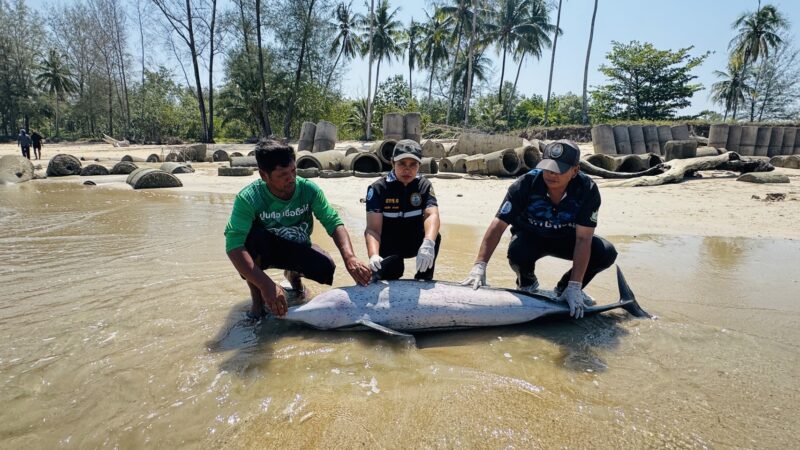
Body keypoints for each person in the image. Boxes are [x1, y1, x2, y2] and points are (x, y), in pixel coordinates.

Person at [461, 139, 618, 319]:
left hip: (567, 239)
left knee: (605, 252)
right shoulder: (526, 183)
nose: (551, 174)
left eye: (559, 170)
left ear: (575, 171)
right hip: (531, 238)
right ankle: (527, 283)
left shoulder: (587, 189)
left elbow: (583, 239)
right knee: (517, 250)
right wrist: (479, 266)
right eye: (548, 167)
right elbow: (498, 225)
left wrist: (575, 284)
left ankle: (566, 289)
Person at [224, 139, 372, 320]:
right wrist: (266, 285)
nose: (291, 178)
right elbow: (234, 246)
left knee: (326, 267)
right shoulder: (248, 198)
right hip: (265, 249)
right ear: (264, 175)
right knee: (249, 242)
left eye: (293, 170)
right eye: (283, 175)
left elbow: (333, 222)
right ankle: (258, 300)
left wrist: (350, 257)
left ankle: (294, 278)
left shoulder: (308, 189)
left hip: (296, 245)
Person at [365, 139, 441, 280]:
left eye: (413, 164)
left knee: (435, 236)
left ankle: (424, 276)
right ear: (392, 162)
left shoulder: (424, 185)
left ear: (419, 165)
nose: (407, 169)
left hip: (415, 241)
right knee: (390, 275)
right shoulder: (377, 189)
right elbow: (373, 229)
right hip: (389, 243)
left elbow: (432, 215)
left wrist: (428, 243)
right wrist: (373, 255)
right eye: (402, 163)